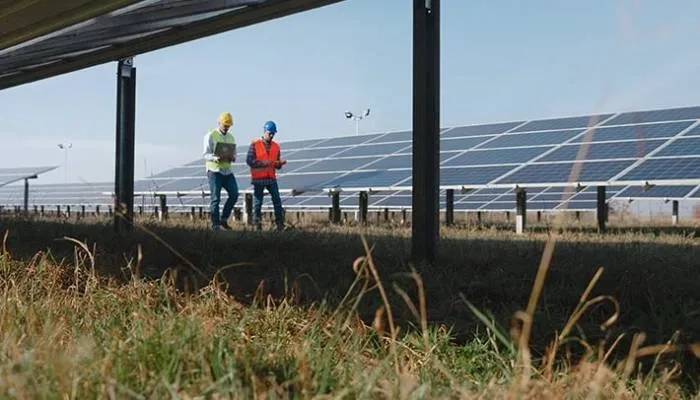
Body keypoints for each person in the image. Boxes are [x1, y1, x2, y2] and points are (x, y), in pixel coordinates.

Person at [246, 120, 287, 231]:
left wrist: (279, 164)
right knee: (258, 203)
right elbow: (249, 161)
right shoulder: (255, 145)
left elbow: (275, 163)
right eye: (270, 133)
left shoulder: (276, 146)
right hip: (259, 179)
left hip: (271, 178)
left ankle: (280, 225)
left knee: (277, 201)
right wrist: (263, 163)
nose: (272, 135)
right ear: (264, 132)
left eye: (273, 133)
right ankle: (257, 225)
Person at [203, 111, 239, 231]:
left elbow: (234, 154)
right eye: (225, 125)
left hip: (227, 171)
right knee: (215, 198)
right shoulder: (210, 135)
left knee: (234, 194)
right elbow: (205, 154)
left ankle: (223, 220)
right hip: (214, 170)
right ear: (219, 123)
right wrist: (215, 157)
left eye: (228, 126)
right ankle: (215, 225)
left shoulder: (231, 137)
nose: (226, 128)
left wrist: (233, 157)